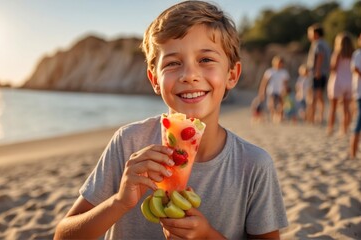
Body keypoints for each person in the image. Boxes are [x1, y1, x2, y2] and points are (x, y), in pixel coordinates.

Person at [54, 1, 288, 239]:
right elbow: (63, 235)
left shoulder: (254, 165)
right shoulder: (129, 143)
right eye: (173, 63)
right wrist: (119, 202)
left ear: (232, 74)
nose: (189, 75)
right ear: (154, 79)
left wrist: (207, 236)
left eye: (206, 60)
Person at [327, 32, 354, 136]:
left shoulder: (337, 53)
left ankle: (330, 128)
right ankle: (344, 129)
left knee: (333, 107)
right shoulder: (353, 54)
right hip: (349, 82)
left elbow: (333, 68)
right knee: (346, 108)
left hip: (337, 81)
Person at [306, 23, 331, 124]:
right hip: (323, 73)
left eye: (310, 33)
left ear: (315, 33)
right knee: (320, 97)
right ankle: (320, 116)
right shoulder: (325, 43)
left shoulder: (318, 44)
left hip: (318, 73)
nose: (309, 35)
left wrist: (317, 71)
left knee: (314, 96)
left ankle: (312, 118)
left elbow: (320, 56)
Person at [258, 55, 290, 123]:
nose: (279, 64)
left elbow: (286, 83)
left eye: (280, 63)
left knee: (281, 105)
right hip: (271, 90)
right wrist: (262, 91)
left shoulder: (284, 72)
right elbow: (264, 83)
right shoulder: (270, 71)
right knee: (271, 104)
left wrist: (286, 90)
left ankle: (280, 118)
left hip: (281, 91)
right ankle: (273, 116)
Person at [350, 33, 361, 159]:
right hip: (360, 93)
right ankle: (352, 151)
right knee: (359, 121)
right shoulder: (358, 54)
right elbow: (355, 69)